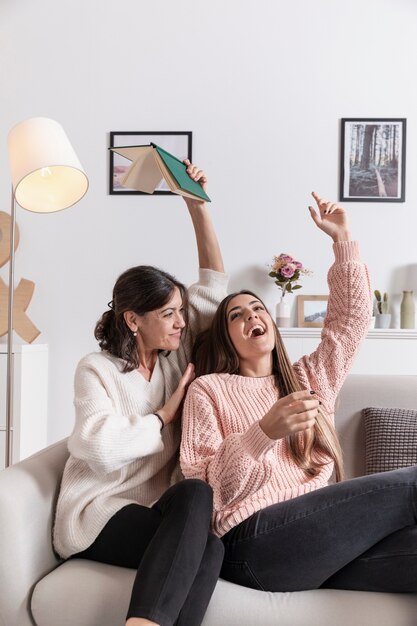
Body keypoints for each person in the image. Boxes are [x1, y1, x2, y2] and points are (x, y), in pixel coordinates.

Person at [180, 192, 417, 594]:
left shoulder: (308, 377)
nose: (252, 315)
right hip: (252, 544)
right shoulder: (209, 389)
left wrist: (343, 239)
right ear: (226, 337)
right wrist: (261, 434)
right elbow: (209, 492)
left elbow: (351, 321)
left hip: (315, 543)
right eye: (236, 315)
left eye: (258, 309)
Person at [53, 161, 228, 626]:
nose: (181, 322)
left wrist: (198, 208)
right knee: (201, 528)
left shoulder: (175, 357)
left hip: (155, 510)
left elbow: (213, 287)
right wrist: (161, 419)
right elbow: (98, 447)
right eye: (169, 314)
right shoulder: (97, 369)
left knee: (205, 526)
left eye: (180, 312)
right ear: (134, 319)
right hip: (96, 514)